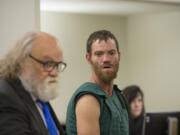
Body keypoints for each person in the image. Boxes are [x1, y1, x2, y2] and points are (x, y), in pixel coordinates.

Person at [0, 31, 66, 135]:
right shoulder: (5, 96)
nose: (54, 73)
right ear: (23, 61)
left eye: (57, 65)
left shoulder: (36, 91)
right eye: (48, 63)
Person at [66, 30, 129, 135]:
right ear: (88, 58)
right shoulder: (88, 99)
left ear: (119, 56)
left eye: (111, 53)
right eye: (99, 54)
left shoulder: (117, 96)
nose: (106, 59)